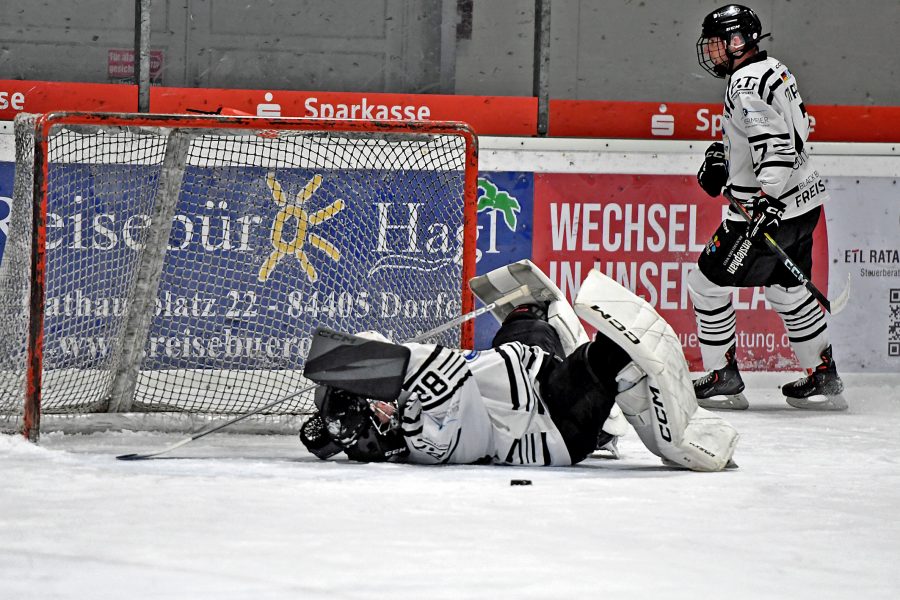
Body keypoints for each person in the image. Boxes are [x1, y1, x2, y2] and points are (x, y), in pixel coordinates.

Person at [299, 261, 739, 472]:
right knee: (616, 353)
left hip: (526, 369)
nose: (380, 403)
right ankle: (676, 437)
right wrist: (345, 363)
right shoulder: (423, 437)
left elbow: (404, 369)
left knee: (527, 313)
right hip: (553, 419)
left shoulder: (408, 424)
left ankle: (582, 376)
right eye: (370, 404)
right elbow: (405, 366)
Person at [690, 4, 846, 411]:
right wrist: (727, 159)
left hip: (766, 210)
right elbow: (793, 129)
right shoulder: (775, 68)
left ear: (739, 41)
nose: (714, 52)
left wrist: (768, 203)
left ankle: (722, 376)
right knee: (788, 290)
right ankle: (822, 376)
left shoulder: (743, 83)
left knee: (706, 284)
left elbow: (775, 144)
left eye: (719, 43)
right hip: (804, 204)